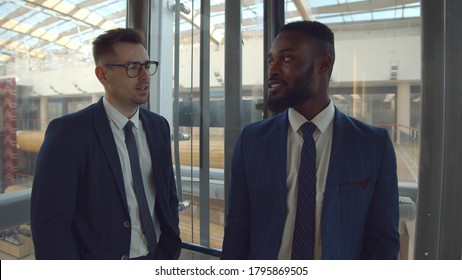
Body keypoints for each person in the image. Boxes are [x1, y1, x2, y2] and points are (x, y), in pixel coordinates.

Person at [221, 21, 400, 260]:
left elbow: (383, 242)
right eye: (270, 60)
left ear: (323, 64)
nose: (272, 70)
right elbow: (237, 231)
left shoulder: (373, 145)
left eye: (286, 59)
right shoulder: (251, 141)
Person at [30, 28, 181, 260]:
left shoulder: (158, 126)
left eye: (147, 65)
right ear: (103, 75)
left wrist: (169, 249)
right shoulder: (69, 133)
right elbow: (50, 227)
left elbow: (167, 195)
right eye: (132, 67)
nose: (145, 76)